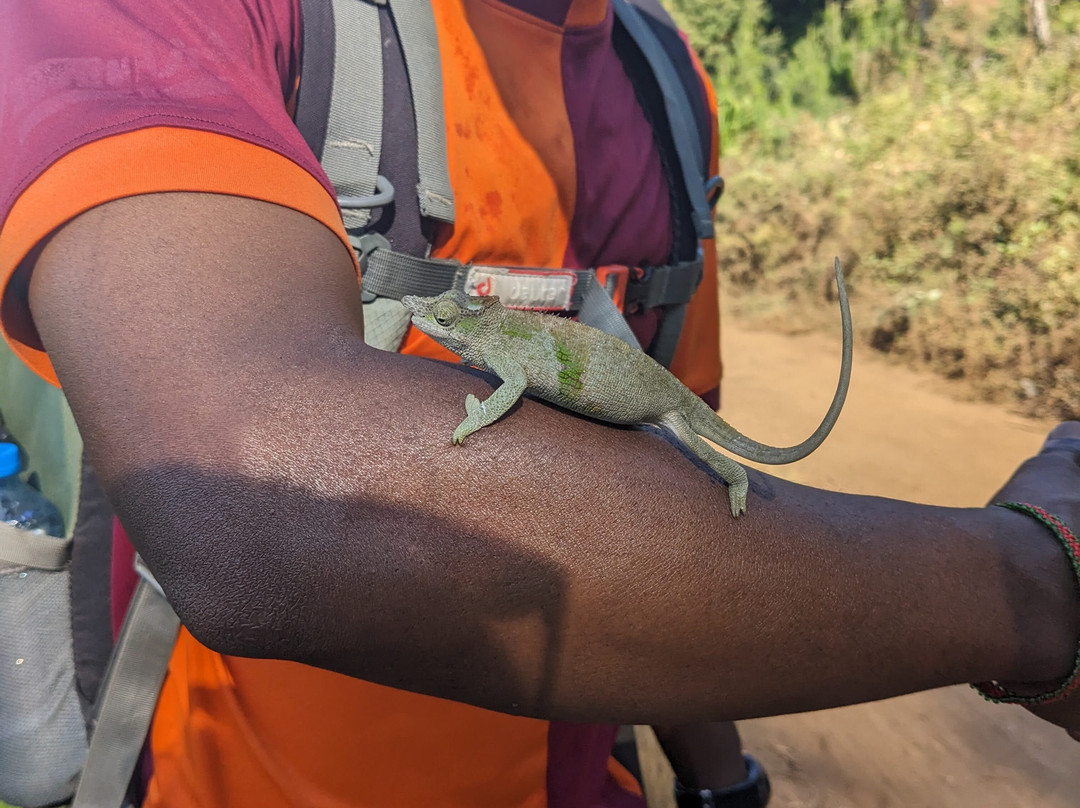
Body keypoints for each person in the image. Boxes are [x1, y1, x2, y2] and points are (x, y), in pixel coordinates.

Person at [1, 1, 1078, 807]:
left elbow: (680, 497)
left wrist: (720, 775)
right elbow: (254, 490)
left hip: (590, 777)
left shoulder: (664, 78)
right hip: (245, 780)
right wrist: (1027, 589)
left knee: (719, 454)